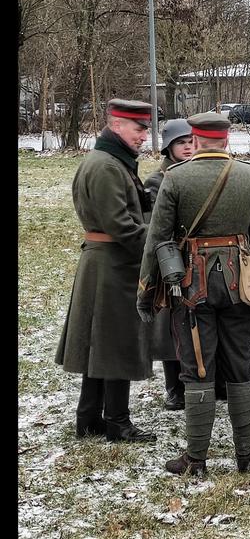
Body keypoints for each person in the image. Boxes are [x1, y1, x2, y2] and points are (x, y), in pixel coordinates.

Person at [137, 111, 250, 476]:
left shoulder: (176, 178)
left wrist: (147, 291)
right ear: (226, 140)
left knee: (197, 368)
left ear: (194, 140)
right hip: (240, 286)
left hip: (189, 288)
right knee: (242, 366)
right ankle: (246, 456)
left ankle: (196, 459)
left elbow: (158, 240)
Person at [55, 98, 156, 443]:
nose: (144, 135)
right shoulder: (107, 166)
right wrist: (157, 245)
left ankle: (89, 419)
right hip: (113, 263)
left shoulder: (110, 160)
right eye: (139, 128)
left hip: (108, 261)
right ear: (116, 125)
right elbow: (121, 226)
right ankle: (117, 422)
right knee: (116, 343)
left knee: (100, 344)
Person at [144, 120, 195, 410]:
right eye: (181, 142)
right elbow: (153, 226)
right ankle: (174, 387)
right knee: (170, 327)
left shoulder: (197, 173)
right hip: (170, 259)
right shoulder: (156, 181)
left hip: (198, 257)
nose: (188, 146)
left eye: (191, 141)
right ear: (169, 147)